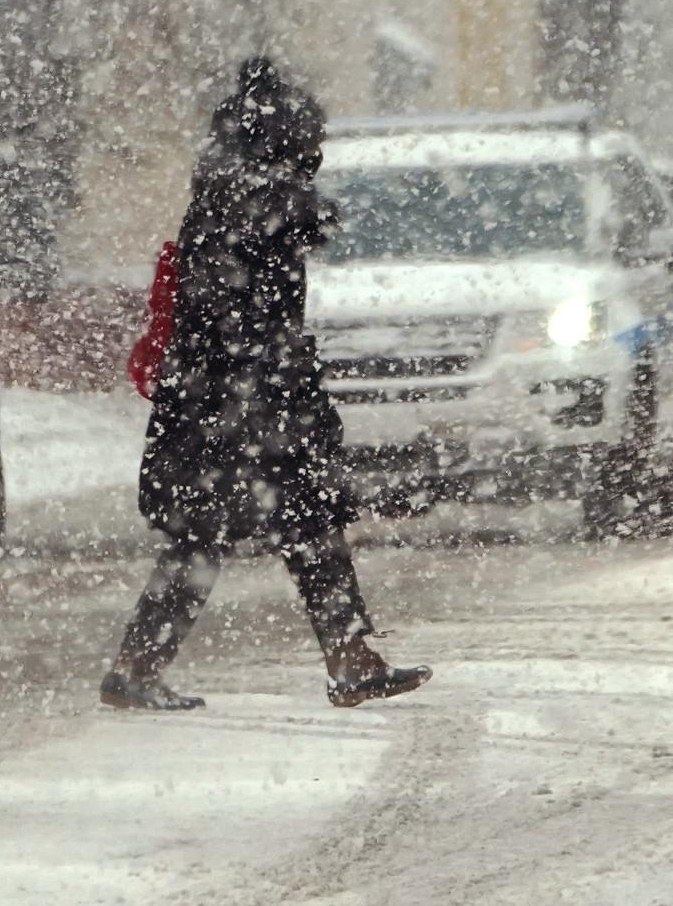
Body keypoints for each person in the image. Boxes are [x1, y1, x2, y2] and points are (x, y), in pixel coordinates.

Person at [101, 58, 431, 712]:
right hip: (244, 403)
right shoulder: (255, 196)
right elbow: (249, 297)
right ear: (285, 137)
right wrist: (275, 384)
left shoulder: (223, 189)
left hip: (224, 399)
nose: (318, 151)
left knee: (246, 534)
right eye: (313, 137)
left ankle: (346, 657)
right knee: (271, 530)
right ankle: (343, 658)